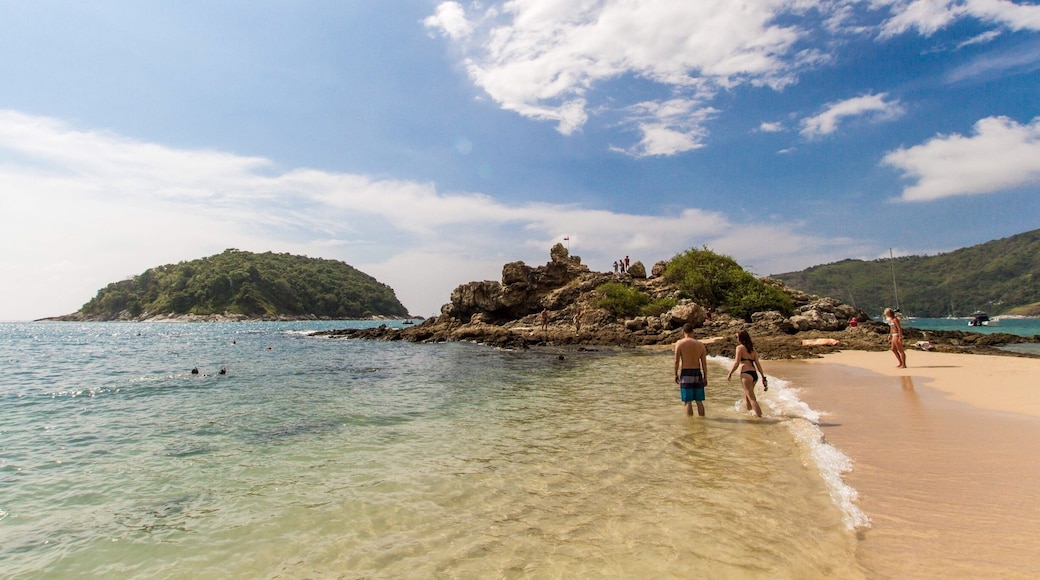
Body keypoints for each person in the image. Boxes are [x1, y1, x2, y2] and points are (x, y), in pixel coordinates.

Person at [727, 330, 767, 417]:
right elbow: (757, 363)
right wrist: (762, 376)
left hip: (746, 374)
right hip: (754, 374)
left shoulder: (739, 348)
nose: (736, 339)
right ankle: (749, 414)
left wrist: (730, 373)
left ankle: (760, 417)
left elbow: (736, 363)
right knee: (747, 396)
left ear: (741, 339)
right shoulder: (752, 349)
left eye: (737, 337)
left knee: (752, 398)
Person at [674, 323, 708, 417]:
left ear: (683, 331)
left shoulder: (680, 343)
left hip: (686, 373)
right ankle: (702, 422)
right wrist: (705, 377)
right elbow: (704, 363)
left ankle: (690, 425)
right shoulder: (700, 345)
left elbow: (676, 361)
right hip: (697, 372)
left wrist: (675, 374)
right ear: (693, 332)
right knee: (699, 401)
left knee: (687, 401)